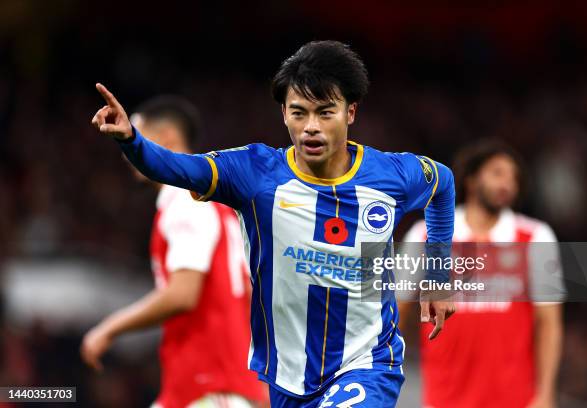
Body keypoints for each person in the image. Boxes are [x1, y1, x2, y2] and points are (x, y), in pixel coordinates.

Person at [90, 41, 456, 407]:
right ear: (283, 113)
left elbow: (443, 185)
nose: (311, 127)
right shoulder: (255, 174)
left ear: (351, 113)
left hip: (367, 364)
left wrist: (439, 278)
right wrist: (131, 141)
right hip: (286, 376)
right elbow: (180, 167)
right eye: (299, 113)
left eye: (325, 113)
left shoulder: (392, 175)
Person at [81, 96, 266, 408]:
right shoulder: (215, 204)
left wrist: (110, 327)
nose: (127, 155)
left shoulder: (184, 198)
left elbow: (183, 293)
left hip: (209, 384)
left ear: (166, 138)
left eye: (135, 135)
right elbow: (249, 293)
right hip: (205, 386)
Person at [402, 140, 565, 408]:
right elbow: (396, 306)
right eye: (497, 173)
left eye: (513, 177)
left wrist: (545, 394)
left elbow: (549, 322)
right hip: (443, 397)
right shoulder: (426, 235)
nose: (507, 184)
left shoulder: (535, 236)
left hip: (515, 398)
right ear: (471, 179)